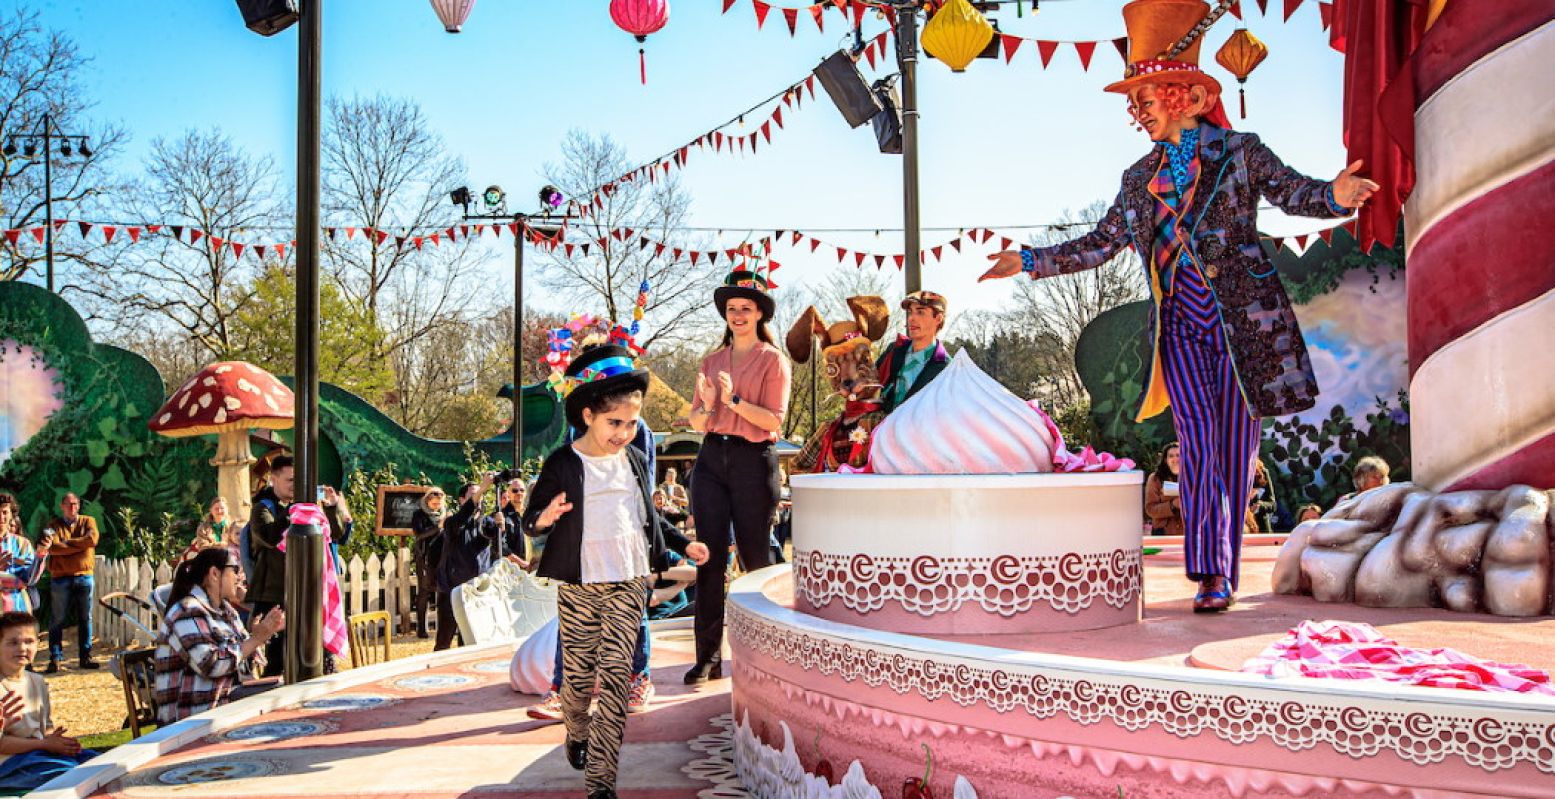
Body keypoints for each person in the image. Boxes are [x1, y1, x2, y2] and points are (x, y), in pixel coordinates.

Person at [981, 0, 1376, 613]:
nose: (1136, 112)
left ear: (1186, 96)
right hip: (1181, 330)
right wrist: (1030, 260)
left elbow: (1294, 190)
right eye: (1132, 101)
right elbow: (1102, 243)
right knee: (1195, 441)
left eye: (1145, 97)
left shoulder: (1240, 152)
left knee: (1235, 451)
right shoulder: (1137, 179)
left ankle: (1223, 565)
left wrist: (1336, 195)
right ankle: (1211, 574)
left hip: (1246, 327)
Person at [522, 343, 710, 799]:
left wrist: (686, 545)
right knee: (579, 682)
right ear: (587, 416)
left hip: (628, 582)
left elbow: (651, 518)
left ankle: (601, 783)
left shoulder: (636, 461)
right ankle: (576, 730)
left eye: (632, 423)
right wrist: (544, 519)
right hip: (581, 585)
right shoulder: (564, 463)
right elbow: (530, 518)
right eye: (615, 423)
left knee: (616, 679)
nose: (625, 433)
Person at [685, 263, 791, 684]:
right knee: (708, 557)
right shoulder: (711, 360)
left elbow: (771, 421)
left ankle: (770, 654)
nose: (739, 315)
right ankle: (707, 657)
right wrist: (711, 403)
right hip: (711, 458)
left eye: (746, 308)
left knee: (755, 557)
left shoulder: (773, 360)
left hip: (753, 459)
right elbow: (696, 421)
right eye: (732, 308)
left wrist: (733, 400)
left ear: (760, 313)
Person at [153, 548, 284, 724]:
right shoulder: (187, 611)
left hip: (221, 705)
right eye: (235, 570)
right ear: (214, 573)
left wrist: (259, 633)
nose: (240, 577)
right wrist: (255, 639)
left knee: (285, 691)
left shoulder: (226, 611)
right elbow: (212, 664)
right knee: (280, 696)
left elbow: (240, 657)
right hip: (190, 719)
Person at [245, 456, 343, 675]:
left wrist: (330, 508)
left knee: (318, 651)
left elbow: (334, 535)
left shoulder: (305, 506)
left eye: (299, 480)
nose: (295, 485)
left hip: (308, 591)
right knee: (279, 659)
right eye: (290, 480)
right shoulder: (262, 509)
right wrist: (293, 511)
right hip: (275, 594)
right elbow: (269, 538)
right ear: (274, 479)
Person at [0, 612, 97, 791]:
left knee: (98, 762)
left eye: (29, 641)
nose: (22, 648)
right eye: (13, 643)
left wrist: (56, 741)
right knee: (74, 775)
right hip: (8, 765)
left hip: (37, 754)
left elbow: (45, 730)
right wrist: (44, 743)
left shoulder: (37, 682)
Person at [41, 493, 98, 673]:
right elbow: (53, 547)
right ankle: (55, 658)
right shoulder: (52, 525)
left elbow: (92, 540)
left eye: (75, 504)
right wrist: (79, 547)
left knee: (85, 618)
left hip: (84, 575)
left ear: (79, 505)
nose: (72, 507)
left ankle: (85, 656)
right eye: (68, 504)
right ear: (61, 506)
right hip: (60, 577)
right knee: (57, 619)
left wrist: (66, 544)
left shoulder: (89, 521)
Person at [876, 291, 951, 415]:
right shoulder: (894, 350)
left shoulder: (946, 368)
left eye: (920, 312)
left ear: (938, 318)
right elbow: (870, 383)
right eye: (910, 312)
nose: (911, 318)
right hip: (882, 432)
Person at [410, 488, 447, 640]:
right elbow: (419, 534)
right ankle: (421, 627)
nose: (437, 505)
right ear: (427, 501)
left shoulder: (445, 513)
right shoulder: (419, 515)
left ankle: (441, 626)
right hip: (425, 558)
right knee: (424, 591)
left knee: (442, 591)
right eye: (434, 502)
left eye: (439, 503)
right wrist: (438, 526)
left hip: (442, 556)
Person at [0, 495, 41, 615]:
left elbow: (30, 579)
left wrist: (40, 557)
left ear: (12, 515)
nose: (1, 517)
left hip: (18, 608)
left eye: (4, 512)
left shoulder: (23, 544)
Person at [1144, 442, 1185, 537]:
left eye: (1178, 455)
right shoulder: (1155, 478)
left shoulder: (1195, 478)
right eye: (1171, 456)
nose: (1175, 459)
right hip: (1163, 532)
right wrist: (1173, 505)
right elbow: (1150, 509)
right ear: (1166, 460)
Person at [180, 497, 231, 563]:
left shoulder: (232, 526)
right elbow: (202, 547)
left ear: (227, 509)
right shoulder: (203, 528)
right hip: (210, 560)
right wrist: (220, 545)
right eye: (216, 509)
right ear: (211, 510)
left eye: (222, 508)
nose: (219, 511)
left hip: (230, 560)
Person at [1248, 459, 1277, 533]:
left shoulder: (1262, 471)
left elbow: (1273, 505)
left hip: (1262, 529)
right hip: (1241, 527)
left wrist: (1260, 506)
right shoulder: (1231, 469)